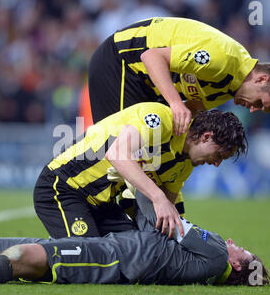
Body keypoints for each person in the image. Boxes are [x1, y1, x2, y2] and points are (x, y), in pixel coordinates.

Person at [0, 191, 270, 286]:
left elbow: (162, 217)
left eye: (243, 249)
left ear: (238, 264)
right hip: (111, 243)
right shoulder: (205, 262)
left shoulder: (218, 255)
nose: (235, 242)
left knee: (22, 257)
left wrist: (138, 177)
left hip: (112, 259)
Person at [34, 102, 247, 240]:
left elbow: (169, 216)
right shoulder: (161, 119)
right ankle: (12, 257)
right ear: (206, 136)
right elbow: (117, 154)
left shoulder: (184, 165)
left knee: (142, 250)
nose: (217, 164)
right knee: (87, 259)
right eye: (219, 155)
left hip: (103, 204)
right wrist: (158, 197)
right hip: (63, 187)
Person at [88, 17, 270, 135]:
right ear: (261, 79)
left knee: (147, 154)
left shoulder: (230, 88)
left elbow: (190, 111)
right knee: (118, 149)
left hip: (145, 83)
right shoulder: (223, 60)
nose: (253, 109)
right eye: (260, 102)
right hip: (121, 60)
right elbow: (151, 57)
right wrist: (176, 103)